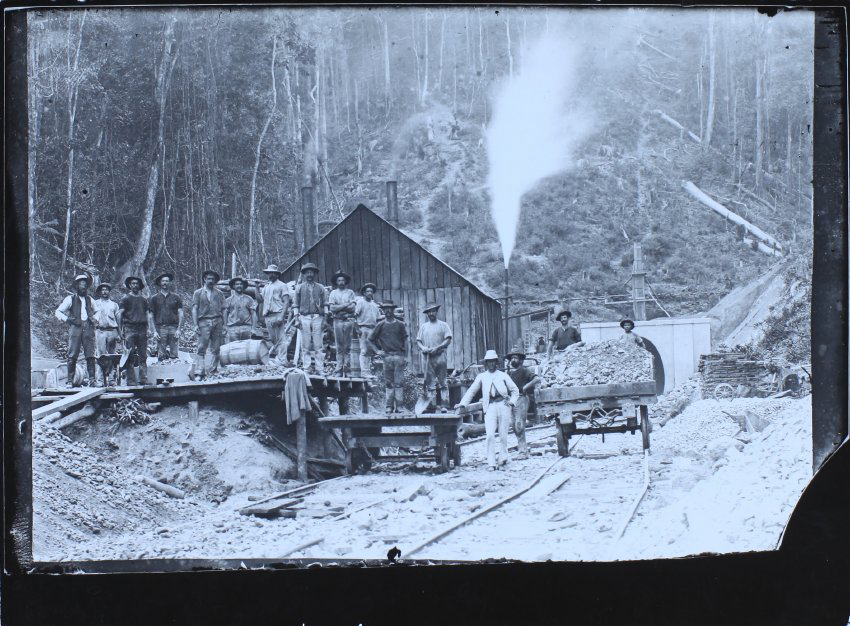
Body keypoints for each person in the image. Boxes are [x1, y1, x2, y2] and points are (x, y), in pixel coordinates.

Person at [456, 350, 519, 471]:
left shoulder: (503, 375)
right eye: (489, 362)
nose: (491, 364)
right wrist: (462, 404)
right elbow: (471, 391)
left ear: (496, 362)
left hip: (503, 405)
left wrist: (511, 402)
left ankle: (503, 457)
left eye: (493, 362)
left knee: (503, 434)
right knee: (490, 434)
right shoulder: (482, 376)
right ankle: (491, 462)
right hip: (490, 406)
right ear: (486, 363)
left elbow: (515, 390)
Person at [55, 273, 97, 387]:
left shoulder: (90, 300)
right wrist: (67, 319)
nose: (83, 286)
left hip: (88, 328)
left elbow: (98, 311)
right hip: (75, 327)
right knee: (72, 354)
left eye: (85, 284)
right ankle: (70, 381)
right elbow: (58, 311)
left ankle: (92, 380)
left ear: (87, 287)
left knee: (90, 354)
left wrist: (94, 319)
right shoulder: (70, 299)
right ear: (77, 286)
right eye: (81, 284)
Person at [368, 301, 409, 412]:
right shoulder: (380, 325)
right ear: (383, 310)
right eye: (385, 309)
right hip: (387, 357)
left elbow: (406, 340)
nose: (388, 311)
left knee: (399, 382)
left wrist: (405, 356)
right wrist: (377, 351)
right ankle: (389, 406)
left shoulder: (400, 324)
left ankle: (399, 406)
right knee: (389, 383)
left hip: (399, 356)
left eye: (390, 309)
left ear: (393, 310)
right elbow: (370, 340)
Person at [415, 302, 453, 410]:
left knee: (443, 382)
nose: (431, 313)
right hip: (427, 358)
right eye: (429, 311)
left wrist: (438, 348)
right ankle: (432, 405)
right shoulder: (424, 327)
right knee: (430, 382)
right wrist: (423, 348)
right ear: (427, 314)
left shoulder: (443, 325)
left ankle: (445, 405)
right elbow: (418, 341)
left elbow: (448, 339)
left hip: (440, 356)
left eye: (433, 311)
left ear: (436, 312)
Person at [189, 269, 226, 380]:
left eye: (212, 279)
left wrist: (225, 325)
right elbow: (195, 309)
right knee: (201, 347)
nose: (210, 281)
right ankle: (200, 371)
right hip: (203, 322)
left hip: (217, 321)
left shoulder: (219, 293)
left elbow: (224, 309)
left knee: (216, 347)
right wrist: (195, 325)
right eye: (208, 278)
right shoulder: (198, 293)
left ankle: (213, 370)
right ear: (204, 279)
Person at [292, 262, 328, 374]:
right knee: (306, 345)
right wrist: (297, 319)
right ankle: (306, 368)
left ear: (314, 274)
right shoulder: (299, 288)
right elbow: (295, 305)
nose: (309, 274)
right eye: (307, 272)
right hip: (304, 318)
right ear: (304, 274)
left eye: (311, 272)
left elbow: (326, 304)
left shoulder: (321, 288)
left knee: (318, 345)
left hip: (318, 318)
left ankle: (319, 368)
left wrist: (325, 320)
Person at [117, 276, 153, 385]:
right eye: (132, 284)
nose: (135, 285)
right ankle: (131, 380)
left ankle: (143, 378)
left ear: (139, 286)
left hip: (142, 329)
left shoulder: (143, 299)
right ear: (129, 285)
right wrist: (120, 331)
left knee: (143, 355)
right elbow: (119, 315)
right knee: (129, 355)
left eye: (137, 284)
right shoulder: (125, 299)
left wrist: (149, 328)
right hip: (130, 329)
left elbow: (147, 314)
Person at [507, 346, 541, 458]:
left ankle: (523, 452)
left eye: (516, 358)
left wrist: (525, 387)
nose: (513, 360)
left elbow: (537, 379)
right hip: (512, 400)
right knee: (513, 425)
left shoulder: (525, 370)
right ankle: (522, 447)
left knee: (519, 425)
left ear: (521, 360)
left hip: (522, 399)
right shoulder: (510, 373)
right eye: (512, 358)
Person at [148, 272, 183, 361]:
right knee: (161, 354)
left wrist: (179, 329)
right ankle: (162, 373)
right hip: (161, 328)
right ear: (160, 283)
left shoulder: (176, 297)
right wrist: (154, 331)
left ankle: (174, 373)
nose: (165, 283)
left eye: (167, 281)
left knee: (174, 354)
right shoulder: (154, 298)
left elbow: (181, 313)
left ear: (170, 283)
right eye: (163, 281)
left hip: (173, 328)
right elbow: (151, 315)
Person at [328, 269, 357, 376]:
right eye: (339, 280)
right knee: (339, 346)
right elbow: (332, 308)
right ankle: (339, 368)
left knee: (348, 346)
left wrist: (339, 307)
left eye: (343, 280)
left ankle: (347, 368)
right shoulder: (333, 293)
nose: (341, 282)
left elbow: (353, 308)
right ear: (336, 282)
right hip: (337, 321)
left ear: (345, 281)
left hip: (349, 320)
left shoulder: (350, 293)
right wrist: (345, 305)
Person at [260, 264, 290, 365]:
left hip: (277, 314)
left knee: (281, 338)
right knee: (273, 339)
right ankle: (279, 358)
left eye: (273, 273)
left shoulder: (282, 285)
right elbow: (261, 299)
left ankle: (282, 360)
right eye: (269, 273)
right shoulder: (266, 286)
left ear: (277, 274)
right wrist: (256, 288)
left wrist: (281, 316)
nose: (271, 275)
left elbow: (286, 301)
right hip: (268, 315)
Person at [92, 282, 121, 387]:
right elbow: (90, 316)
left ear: (109, 291)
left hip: (112, 331)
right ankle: (100, 381)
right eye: (102, 290)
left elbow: (118, 320)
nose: (104, 292)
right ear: (100, 292)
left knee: (112, 356)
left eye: (106, 290)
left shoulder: (114, 305)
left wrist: (119, 333)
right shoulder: (95, 303)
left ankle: (112, 380)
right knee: (100, 356)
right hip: (100, 331)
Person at [355, 282, 381, 378]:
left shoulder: (374, 305)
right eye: (367, 291)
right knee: (364, 350)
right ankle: (364, 372)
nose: (370, 293)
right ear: (364, 293)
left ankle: (368, 371)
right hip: (363, 328)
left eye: (371, 291)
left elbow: (377, 319)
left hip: (372, 329)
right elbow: (355, 316)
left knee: (370, 351)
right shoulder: (361, 302)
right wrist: (357, 328)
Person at [224, 276, 258, 343]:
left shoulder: (249, 299)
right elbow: (225, 313)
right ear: (233, 286)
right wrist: (225, 327)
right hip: (233, 328)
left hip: (246, 328)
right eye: (237, 284)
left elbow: (253, 314)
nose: (239, 286)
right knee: (233, 349)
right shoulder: (228, 300)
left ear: (244, 286)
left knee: (246, 349)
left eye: (241, 284)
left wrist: (253, 328)